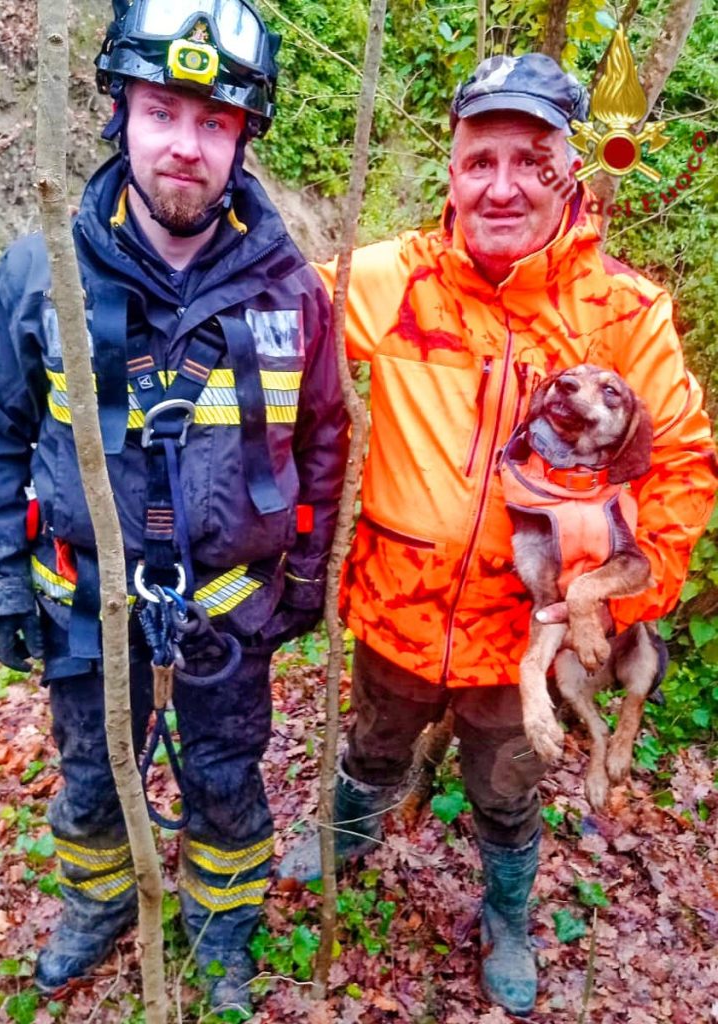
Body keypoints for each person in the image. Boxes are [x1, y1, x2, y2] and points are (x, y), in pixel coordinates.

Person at [278, 54, 717, 1015]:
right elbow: (262, 306)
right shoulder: (390, 279)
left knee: (508, 788)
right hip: (395, 611)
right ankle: (347, 838)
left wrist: (612, 600)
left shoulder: (625, 314)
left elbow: (683, 467)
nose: (503, 184)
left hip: (527, 641)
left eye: (532, 158)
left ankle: (508, 916)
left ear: (571, 174)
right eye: (480, 159)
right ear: (452, 172)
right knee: (374, 744)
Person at [0, 0, 347, 1013]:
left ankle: (223, 924)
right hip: (83, 608)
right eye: (165, 111)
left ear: (245, 138)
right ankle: (99, 902)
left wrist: (303, 578)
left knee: (226, 778)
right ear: (119, 110)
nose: (187, 145)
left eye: (215, 123)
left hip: (229, 614)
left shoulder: (292, 291)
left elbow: (324, 440)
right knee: (90, 778)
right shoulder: (43, 272)